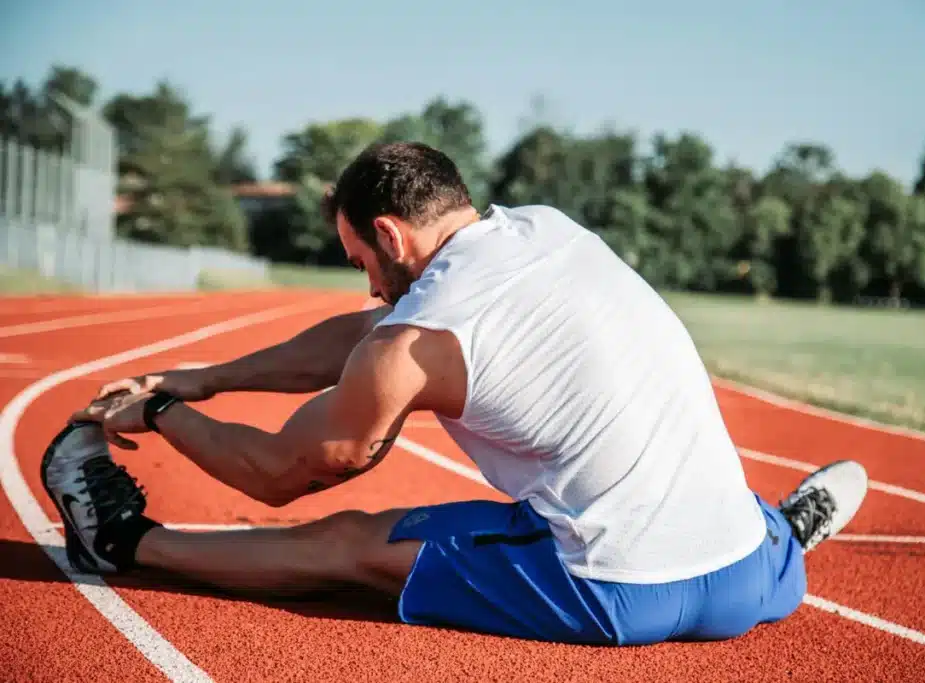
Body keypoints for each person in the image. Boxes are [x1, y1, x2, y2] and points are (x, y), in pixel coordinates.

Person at [42, 141, 868, 646]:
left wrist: (160, 410)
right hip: (745, 578)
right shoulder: (544, 228)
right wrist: (205, 377)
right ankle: (785, 534)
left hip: (615, 586)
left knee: (347, 544)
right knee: (685, 474)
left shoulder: (412, 341)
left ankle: (123, 544)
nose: (364, 283)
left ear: (392, 236)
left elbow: (278, 470)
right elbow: (368, 335)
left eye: (359, 259)